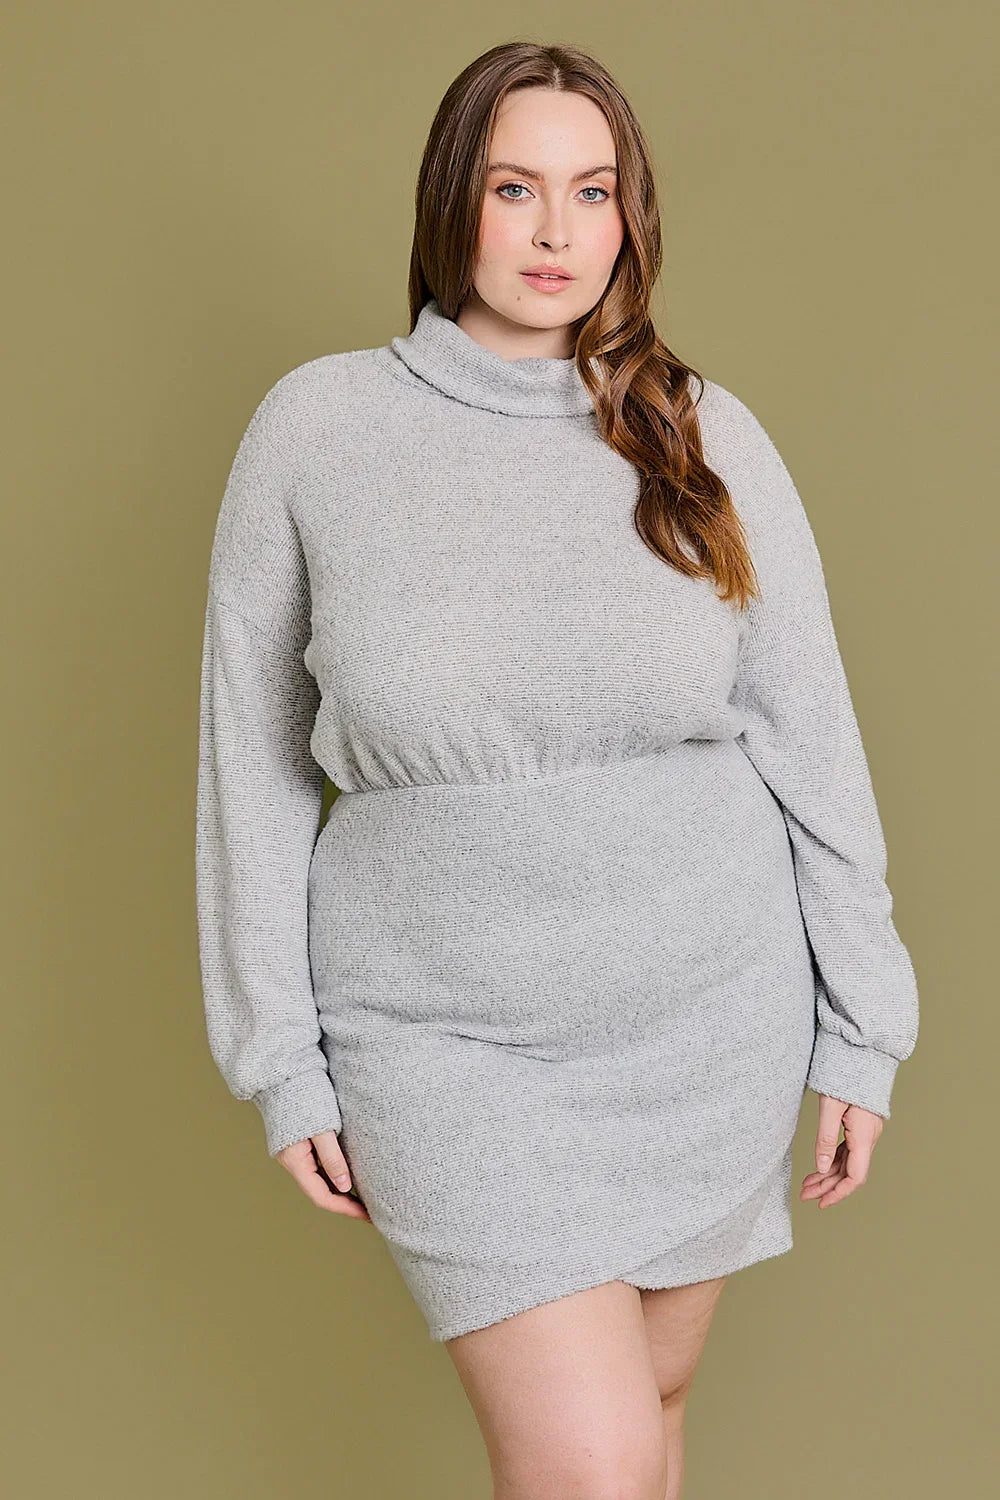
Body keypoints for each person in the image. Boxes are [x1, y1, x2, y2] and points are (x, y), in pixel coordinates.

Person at [194, 40, 919, 1500]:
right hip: (446, 1034)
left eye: (591, 192)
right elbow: (252, 769)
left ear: (630, 217)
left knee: (648, 1428)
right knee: (591, 1467)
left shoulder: (701, 433)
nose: (554, 231)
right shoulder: (319, 429)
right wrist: (279, 1057)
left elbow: (809, 739)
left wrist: (865, 1025)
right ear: (450, 199)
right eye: (514, 187)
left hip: (706, 1013)